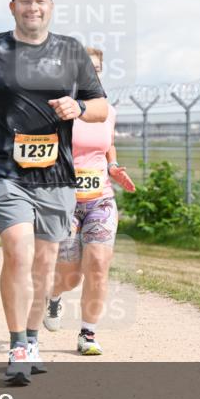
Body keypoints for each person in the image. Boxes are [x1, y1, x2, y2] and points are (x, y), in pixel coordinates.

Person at [0, 0, 108, 385]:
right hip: (3, 167)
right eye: (25, 1)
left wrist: (78, 107)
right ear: (12, 6)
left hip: (56, 173)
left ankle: (32, 338)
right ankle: (17, 343)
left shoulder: (70, 50)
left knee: (46, 262)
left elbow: (101, 106)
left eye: (40, 0)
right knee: (17, 248)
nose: (33, 7)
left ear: (50, 6)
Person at [44, 47, 135, 355]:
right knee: (70, 276)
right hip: (63, 198)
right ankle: (54, 296)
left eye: (96, 68)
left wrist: (113, 167)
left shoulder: (107, 111)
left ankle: (88, 334)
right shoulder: (54, 110)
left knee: (97, 265)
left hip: (101, 198)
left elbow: (106, 144)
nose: (90, 73)